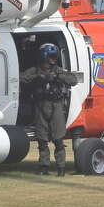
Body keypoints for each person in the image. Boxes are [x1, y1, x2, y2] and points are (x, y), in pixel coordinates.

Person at [19, 42, 80, 176]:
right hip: (40, 105)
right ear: (44, 56)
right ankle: (44, 166)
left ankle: (61, 167)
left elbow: (73, 80)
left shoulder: (58, 70)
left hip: (56, 105)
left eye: (54, 56)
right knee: (42, 139)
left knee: (58, 139)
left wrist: (57, 77)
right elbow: (21, 78)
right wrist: (38, 78)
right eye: (51, 56)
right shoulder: (35, 70)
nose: (53, 59)